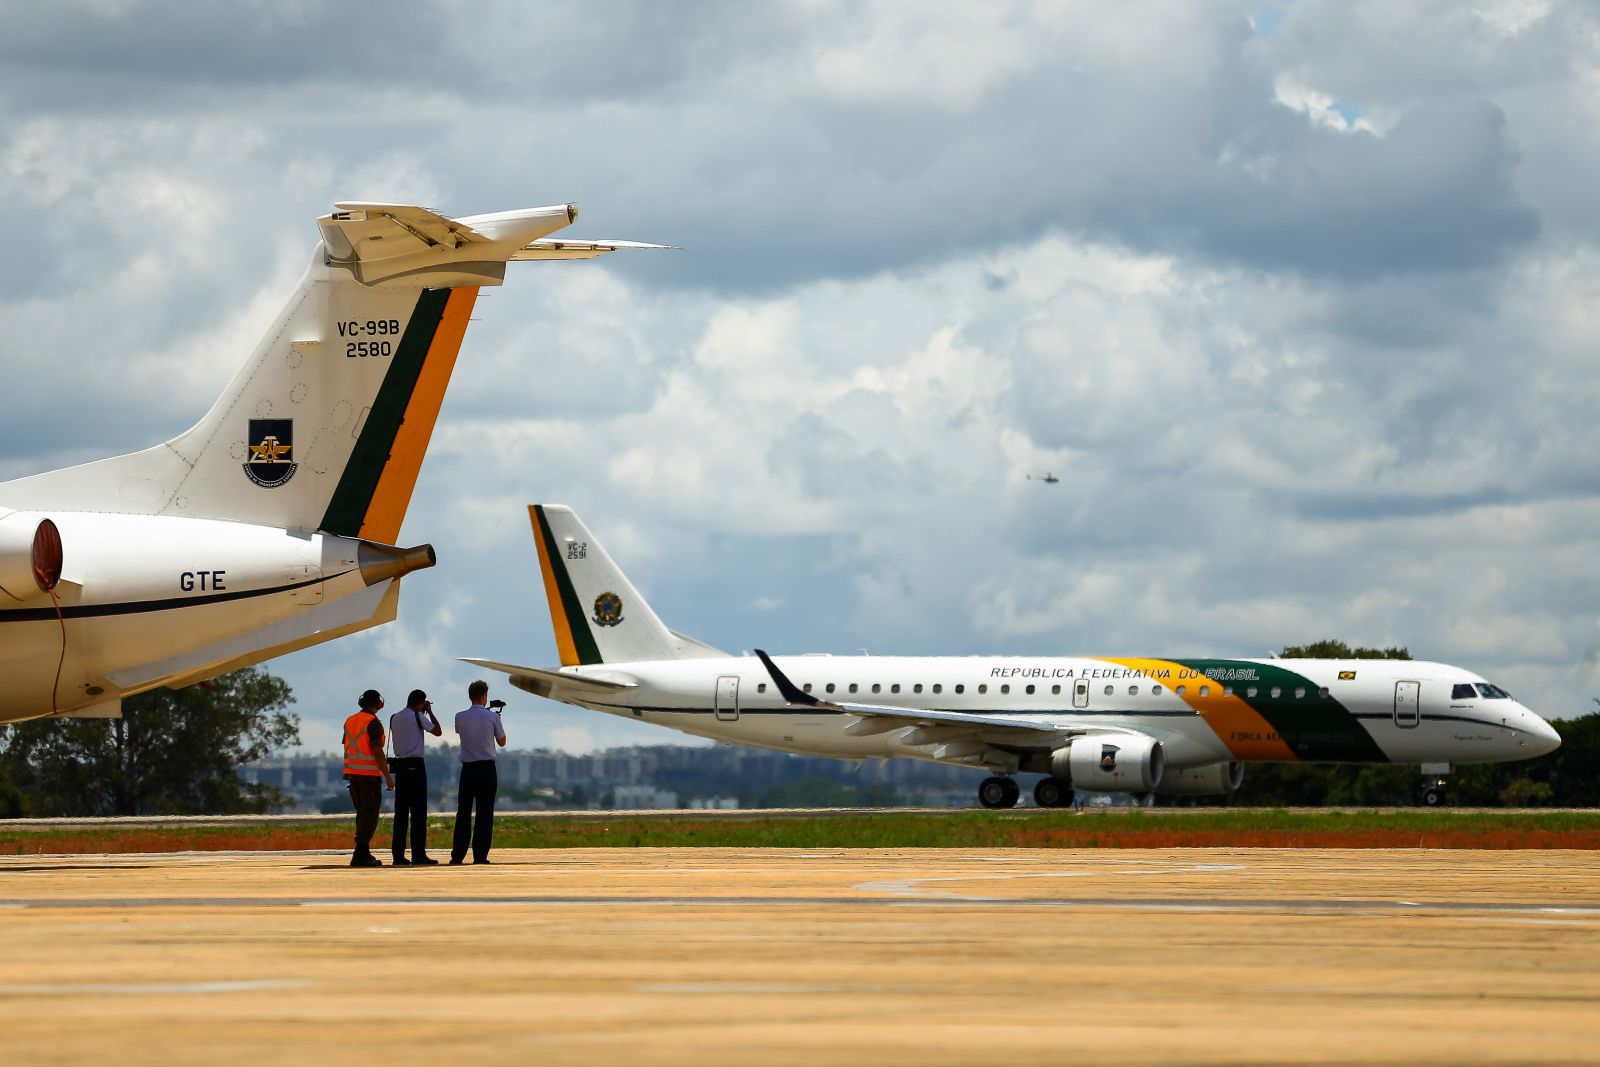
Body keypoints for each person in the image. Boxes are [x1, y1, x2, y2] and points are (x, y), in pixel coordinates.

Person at [450, 679, 506, 865]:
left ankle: (457, 855)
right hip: (487, 769)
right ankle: (480, 855)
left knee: (463, 811)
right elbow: (502, 741)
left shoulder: (460, 716)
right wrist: (495, 721)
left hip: (468, 769)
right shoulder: (492, 717)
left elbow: (460, 731)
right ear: (484, 696)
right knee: (485, 812)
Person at [389, 688, 443, 866]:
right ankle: (418, 854)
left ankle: (398, 855)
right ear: (420, 703)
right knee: (418, 814)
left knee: (401, 814)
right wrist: (429, 712)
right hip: (416, 766)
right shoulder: (417, 716)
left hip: (400, 766)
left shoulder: (395, 717)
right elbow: (438, 731)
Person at [342, 689, 393, 868]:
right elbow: (377, 751)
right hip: (369, 776)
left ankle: (362, 852)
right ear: (379, 704)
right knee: (370, 814)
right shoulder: (373, 723)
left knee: (362, 814)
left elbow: (349, 745)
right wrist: (387, 776)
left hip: (353, 775)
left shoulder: (350, 721)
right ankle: (360, 854)